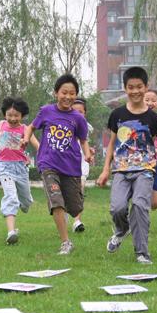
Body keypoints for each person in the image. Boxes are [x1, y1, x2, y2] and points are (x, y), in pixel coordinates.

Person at [97, 67, 157, 265]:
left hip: (145, 170)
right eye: (131, 87)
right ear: (125, 88)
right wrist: (105, 169)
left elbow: (154, 143)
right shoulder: (117, 114)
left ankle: (142, 252)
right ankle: (121, 229)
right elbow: (111, 143)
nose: (135, 91)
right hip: (121, 169)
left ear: (146, 87)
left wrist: (156, 169)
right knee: (117, 208)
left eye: (139, 87)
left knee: (139, 206)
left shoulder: (153, 118)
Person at [22, 74, 92, 255]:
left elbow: (83, 140)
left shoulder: (78, 118)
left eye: (72, 93)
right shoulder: (46, 111)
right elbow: (31, 126)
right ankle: (66, 242)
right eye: (64, 93)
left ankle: (70, 212)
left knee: (75, 207)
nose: (68, 97)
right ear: (56, 93)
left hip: (71, 167)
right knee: (56, 201)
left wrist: (87, 154)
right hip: (48, 164)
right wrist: (25, 138)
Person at [0, 98, 39, 244]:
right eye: (9, 115)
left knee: (25, 203)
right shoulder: (1, 124)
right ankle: (11, 232)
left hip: (21, 168)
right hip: (5, 167)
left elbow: (38, 146)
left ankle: (23, 203)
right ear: (4, 114)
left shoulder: (26, 129)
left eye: (16, 116)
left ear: (22, 115)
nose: (13, 119)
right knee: (11, 197)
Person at [70, 97, 96, 232]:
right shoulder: (64, 124)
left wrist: (89, 151)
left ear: (85, 113)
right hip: (66, 163)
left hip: (82, 163)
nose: (77, 114)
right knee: (66, 193)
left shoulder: (86, 126)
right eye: (74, 111)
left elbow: (84, 142)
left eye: (80, 111)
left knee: (80, 190)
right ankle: (63, 217)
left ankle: (77, 221)